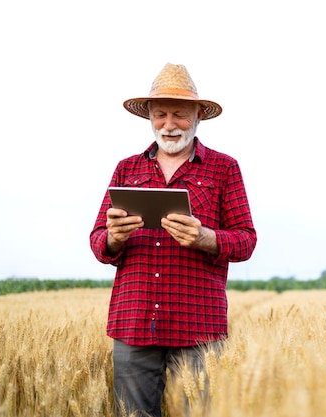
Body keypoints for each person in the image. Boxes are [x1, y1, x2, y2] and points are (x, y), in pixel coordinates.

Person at [90, 63, 257, 417]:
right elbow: (97, 239)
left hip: (198, 324)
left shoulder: (224, 168)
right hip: (134, 321)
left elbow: (246, 240)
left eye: (180, 114)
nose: (169, 124)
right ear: (149, 117)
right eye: (160, 114)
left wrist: (206, 237)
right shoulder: (126, 169)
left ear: (198, 116)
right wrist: (114, 239)